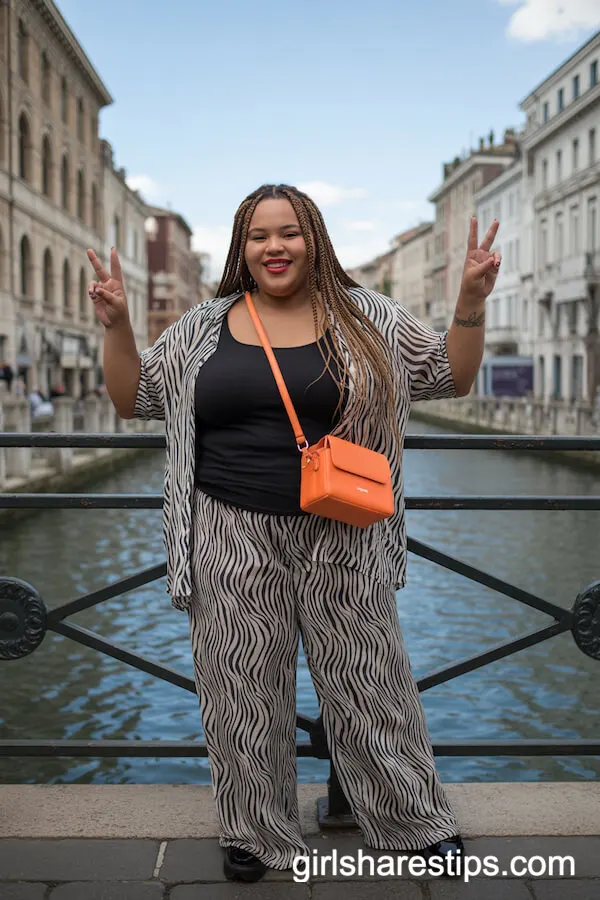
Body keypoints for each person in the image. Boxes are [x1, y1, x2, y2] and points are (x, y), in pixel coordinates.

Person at [87, 183, 501, 883]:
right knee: (240, 688)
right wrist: (118, 325)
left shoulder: (368, 316)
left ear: (315, 239)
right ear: (241, 248)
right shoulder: (204, 326)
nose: (273, 247)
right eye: (258, 236)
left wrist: (470, 301)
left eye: (288, 232)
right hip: (229, 528)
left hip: (344, 530)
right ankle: (255, 832)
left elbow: (448, 376)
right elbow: (135, 397)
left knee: (370, 680)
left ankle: (412, 821)